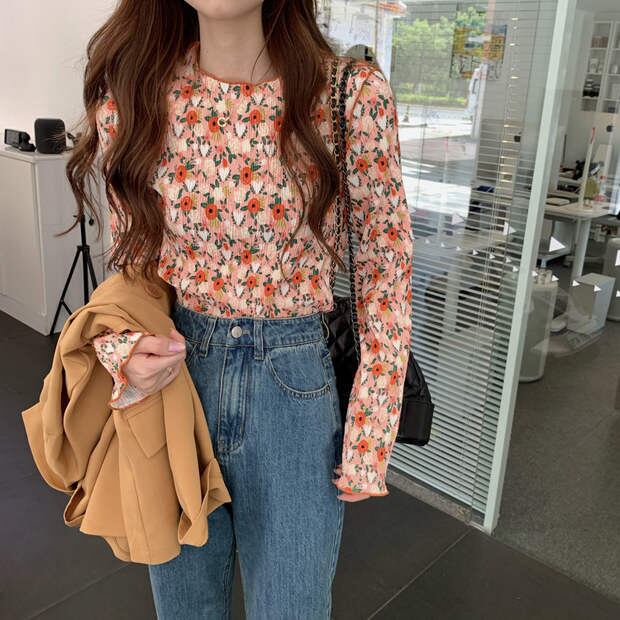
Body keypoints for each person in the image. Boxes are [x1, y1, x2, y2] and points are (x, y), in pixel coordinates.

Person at [66, 0, 414, 617]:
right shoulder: (136, 95)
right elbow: (131, 274)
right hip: (172, 383)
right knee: (184, 607)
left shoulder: (347, 95)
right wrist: (122, 353)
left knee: (292, 608)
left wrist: (373, 425)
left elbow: (384, 266)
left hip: (294, 389)